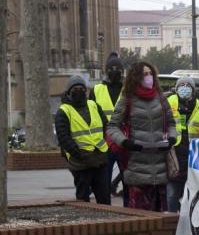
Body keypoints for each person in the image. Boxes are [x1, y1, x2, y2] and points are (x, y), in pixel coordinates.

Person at [107, 61, 176, 212]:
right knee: (140, 217)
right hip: (136, 167)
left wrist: (172, 137)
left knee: (161, 218)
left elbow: (171, 123)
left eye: (151, 73)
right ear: (136, 77)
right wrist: (125, 143)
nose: (149, 77)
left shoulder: (161, 98)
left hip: (160, 168)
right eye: (145, 74)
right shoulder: (127, 98)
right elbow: (112, 127)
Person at [55, 75, 111, 205]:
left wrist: (105, 145)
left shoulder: (93, 105)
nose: (79, 90)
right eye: (75, 88)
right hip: (80, 163)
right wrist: (78, 154)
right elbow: (63, 137)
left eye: (82, 88)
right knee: (83, 200)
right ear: (69, 91)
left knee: (104, 199)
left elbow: (105, 125)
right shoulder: (64, 111)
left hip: (99, 159)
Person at [91, 53, 128, 206]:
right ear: (106, 71)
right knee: (103, 181)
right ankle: (106, 211)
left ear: (122, 71)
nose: (115, 71)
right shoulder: (96, 90)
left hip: (124, 141)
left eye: (118, 68)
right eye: (111, 68)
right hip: (104, 143)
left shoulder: (128, 89)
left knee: (128, 180)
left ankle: (129, 210)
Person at [166, 77, 199, 212]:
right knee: (172, 195)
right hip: (174, 155)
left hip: (192, 157)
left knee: (190, 197)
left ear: (193, 90)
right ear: (176, 89)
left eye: (188, 85)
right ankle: (171, 221)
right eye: (181, 85)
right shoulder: (169, 103)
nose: (185, 87)